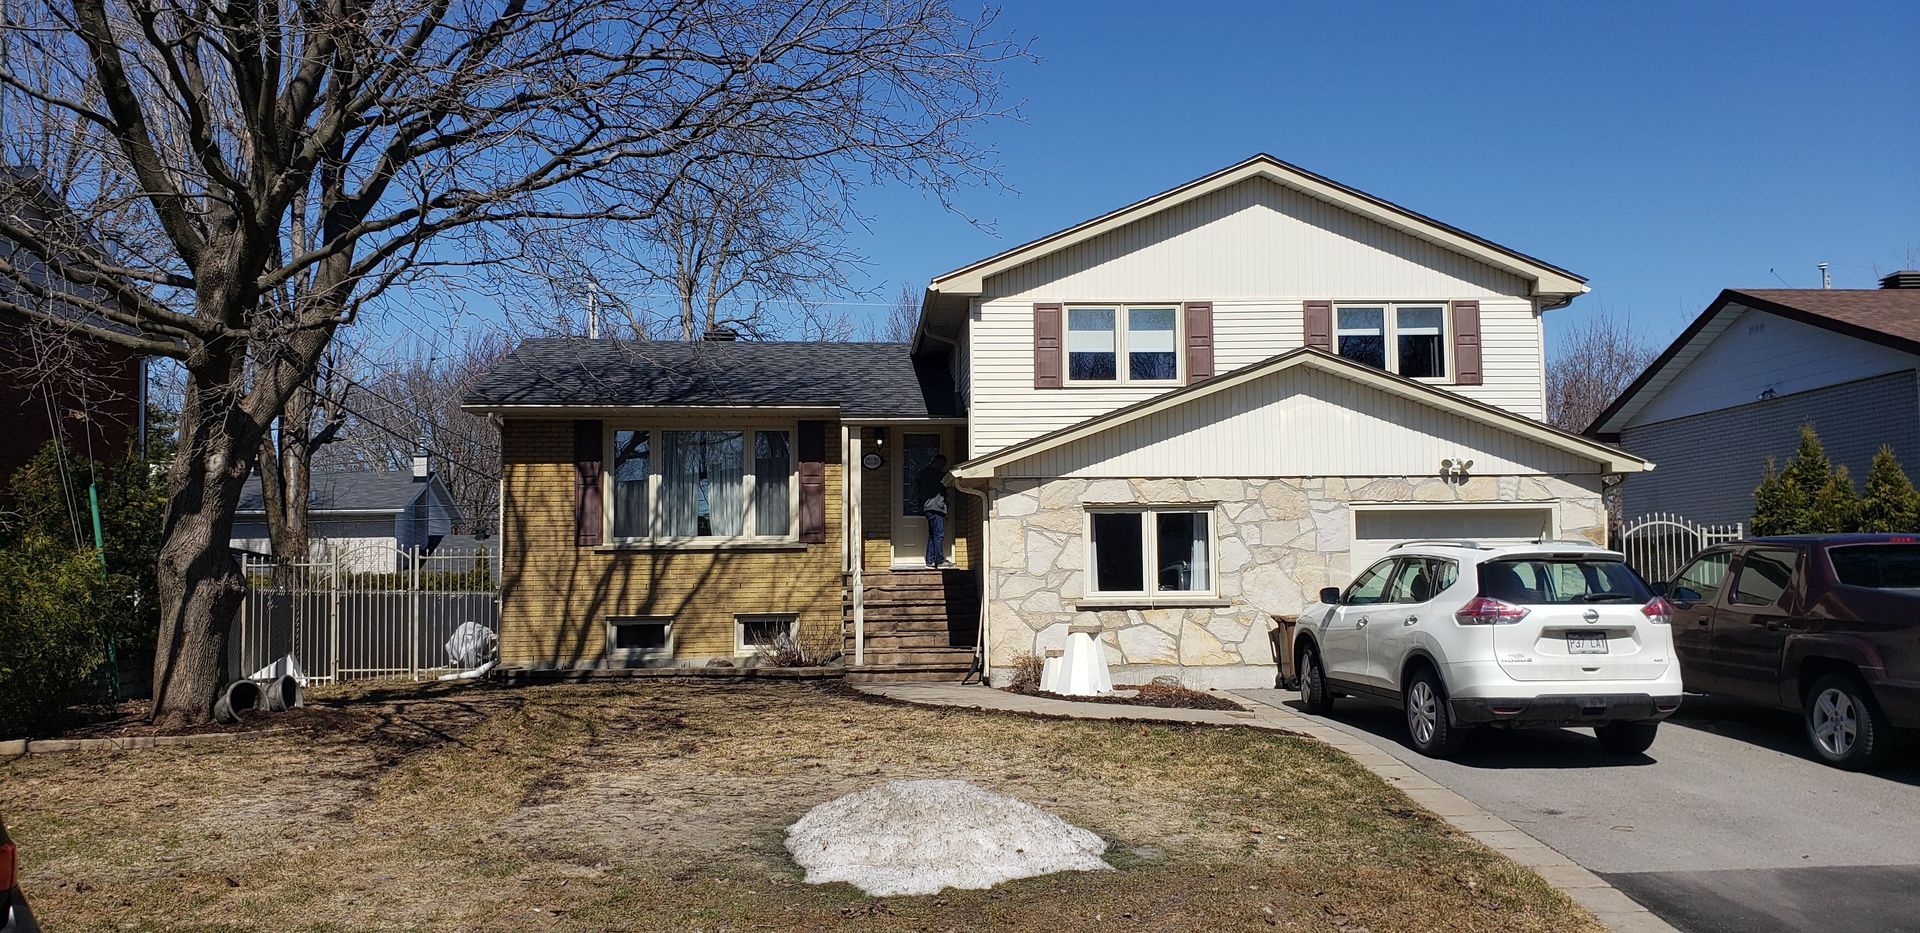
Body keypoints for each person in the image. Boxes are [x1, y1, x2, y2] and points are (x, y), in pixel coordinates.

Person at [918, 454, 950, 568]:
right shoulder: (937, 475)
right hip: (936, 507)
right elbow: (947, 480)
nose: (942, 467)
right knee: (939, 534)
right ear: (938, 462)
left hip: (928, 508)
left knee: (932, 535)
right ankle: (939, 561)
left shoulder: (924, 474)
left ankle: (930, 560)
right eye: (942, 464)